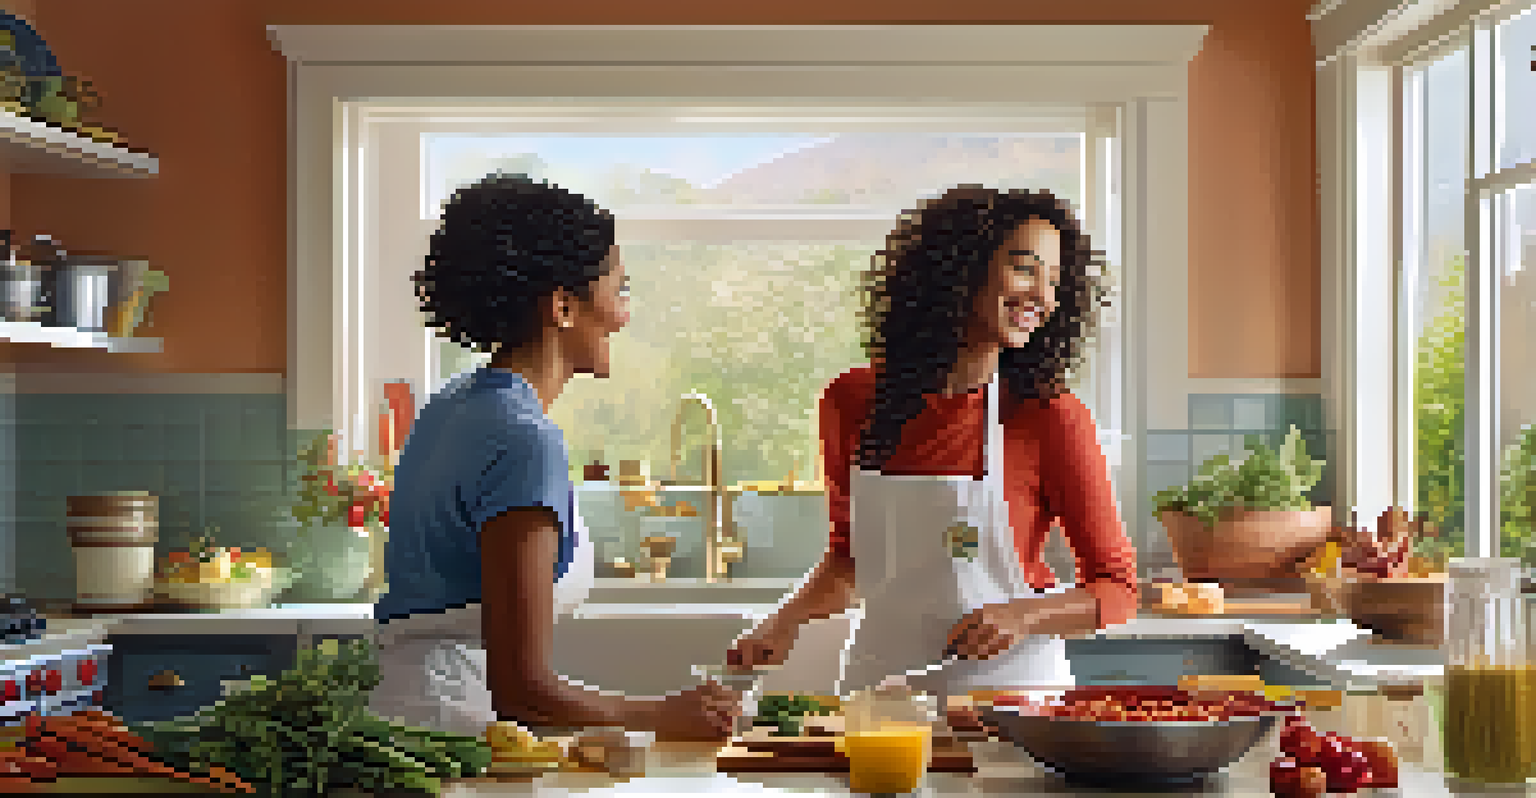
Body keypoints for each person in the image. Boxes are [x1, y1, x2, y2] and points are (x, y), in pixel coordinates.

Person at [726, 185, 1139, 712]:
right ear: (959, 269)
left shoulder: (1050, 418)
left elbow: (1118, 589)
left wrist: (1020, 616)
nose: (1042, 296)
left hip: (1012, 706)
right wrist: (781, 624)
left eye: (1054, 283)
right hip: (881, 696)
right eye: (1025, 268)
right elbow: (851, 561)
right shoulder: (851, 402)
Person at [370, 172, 739, 741]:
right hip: (452, 725)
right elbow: (524, 691)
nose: (624, 314)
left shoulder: (453, 405)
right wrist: (662, 715)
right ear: (563, 307)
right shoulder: (524, 438)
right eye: (619, 290)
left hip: (406, 710)